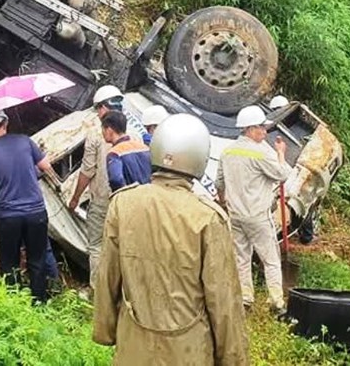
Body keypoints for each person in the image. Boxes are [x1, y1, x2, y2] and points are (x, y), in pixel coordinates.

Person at [93, 114, 249, 365]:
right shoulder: (207, 217)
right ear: (199, 157)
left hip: (134, 345)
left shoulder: (123, 203)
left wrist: (106, 329)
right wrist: (233, 359)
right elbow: (223, 301)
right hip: (187, 351)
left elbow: (107, 276)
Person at [0, 110, 57, 302]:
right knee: (37, 261)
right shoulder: (24, 141)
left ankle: (14, 304)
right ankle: (39, 304)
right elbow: (46, 166)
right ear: (5, 123)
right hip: (36, 213)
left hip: (7, 218)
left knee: (9, 264)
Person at [67, 85, 145, 287]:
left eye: (97, 109)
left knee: (96, 247)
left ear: (103, 107)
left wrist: (75, 198)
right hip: (131, 204)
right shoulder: (136, 135)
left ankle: (97, 292)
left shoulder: (96, 134)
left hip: (103, 201)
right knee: (124, 247)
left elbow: (87, 171)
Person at [217, 105, 291, 315]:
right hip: (258, 216)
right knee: (271, 259)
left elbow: (219, 183)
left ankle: (245, 299)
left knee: (241, 258)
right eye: (261, 128)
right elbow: (283, 174)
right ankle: (276, 302)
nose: (265, 132)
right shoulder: (260, 153)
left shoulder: (227, 151)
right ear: (249, 129)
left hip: (236, 215)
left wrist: (225, 203)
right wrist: (280, 153)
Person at [101, 110, 152, 192]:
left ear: (109, 130)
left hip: (131, 200)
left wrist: (122, 196)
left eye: (103, 129)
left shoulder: (115, 153)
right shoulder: (144, 147)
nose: (102, 133)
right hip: (149, 196)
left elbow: (116, 179)